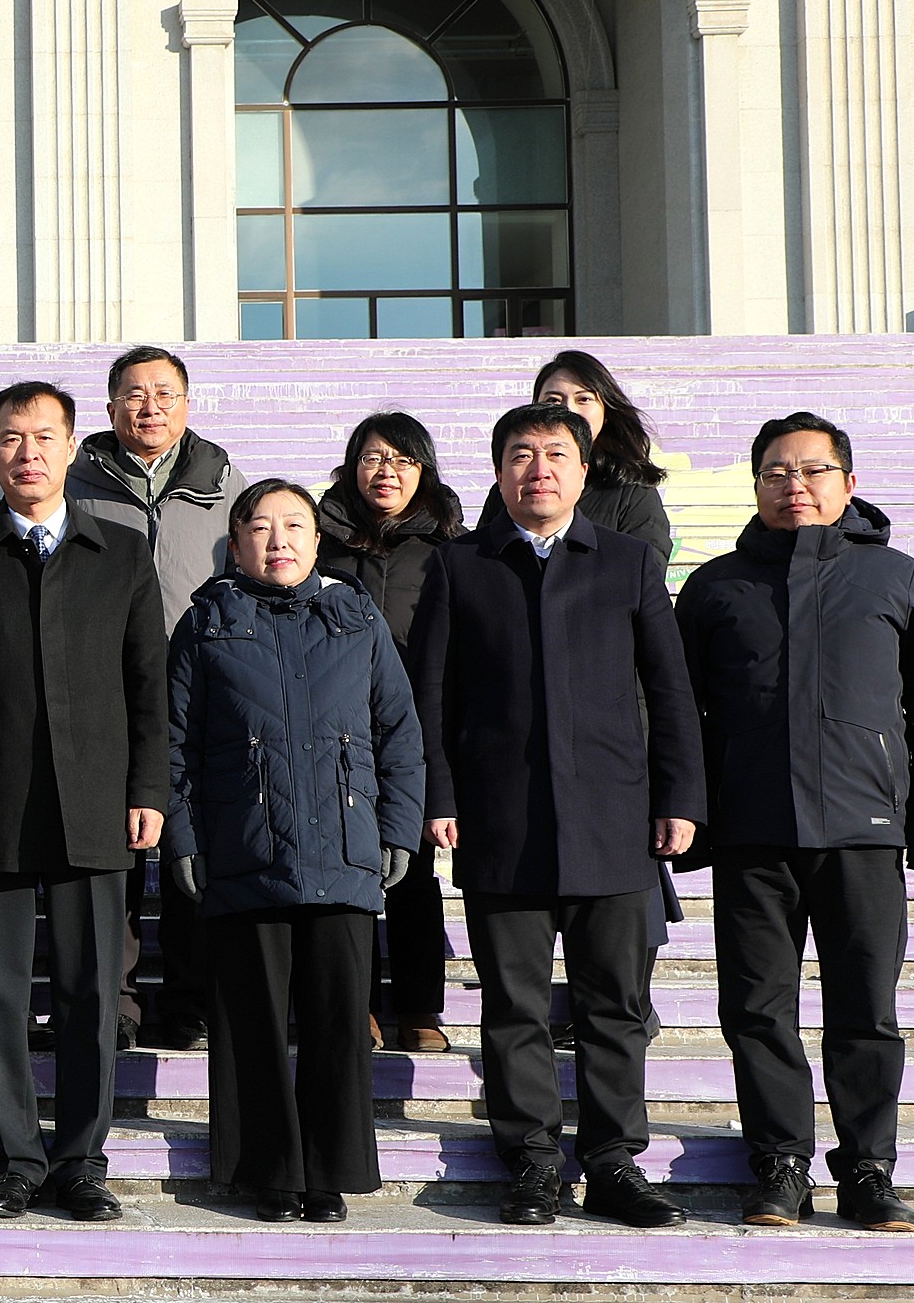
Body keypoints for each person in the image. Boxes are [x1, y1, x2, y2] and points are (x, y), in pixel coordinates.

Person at [410, 403, 705, 1230]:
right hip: (500, 822)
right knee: (514, 1004)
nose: (537, 468)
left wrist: (680, 798)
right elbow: (429, 695)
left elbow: (671, 690)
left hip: (614, 818)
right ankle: (535, 1159)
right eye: (519, 455)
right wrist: (439, 796)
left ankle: (612, 1160)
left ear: (582, 470)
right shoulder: (460, 565)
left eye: (553, 454)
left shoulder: (628, 563)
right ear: (499, 470)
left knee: (614, 1003)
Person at [676, 412, 914, 1234]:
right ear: (757, 484)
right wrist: (691, 819)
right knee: (757, 1008)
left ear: (848, 480)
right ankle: (779, 1164)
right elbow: (675, 714)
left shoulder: (895, 576)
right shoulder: (715, 584)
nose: (793, 485)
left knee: (864, 1008)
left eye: (811, 470)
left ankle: (869, 1171)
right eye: (775, 471)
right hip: (752, 832)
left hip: (863, 830)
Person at [0, 381, 167, 1223]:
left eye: (44, 437)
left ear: (70, 448)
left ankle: (81, 1159)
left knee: (94, 991)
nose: (28, 453)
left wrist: (147, 789)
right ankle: (16, 1156)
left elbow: (147, 686)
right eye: (12, 438)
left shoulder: (122, 552)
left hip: (96, 803)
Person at [168, 479, 426, 1224]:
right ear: (236, 542)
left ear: (318, 540)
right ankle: (268, 1170)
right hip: (245, 849)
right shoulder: (207, 622)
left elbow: (397, 734)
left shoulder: (356, 616)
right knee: (250, 1019)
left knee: (339, 1022)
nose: (277, 540)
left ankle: (330, 1170)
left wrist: (397, 829)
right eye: (259, 526)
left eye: (293, 525)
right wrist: (184, 838)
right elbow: (176, 745)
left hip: (343, 849)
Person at [62, 345, 245, 1051]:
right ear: (109, 408)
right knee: (110, 859)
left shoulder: (224, 484)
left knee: (189, 857)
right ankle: (117, 1003)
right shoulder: (76, 483)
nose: (150, 407)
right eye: (134, 394)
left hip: (197, 692)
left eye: (165, 393)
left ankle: (191, 1002)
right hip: (102, 694)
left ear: (188, 404)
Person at [315, 412, 466, 1055]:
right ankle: (354, 1007)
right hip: (334, 731)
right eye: (374, 458)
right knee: (343, 872)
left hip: (415, 733)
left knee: (413, 873)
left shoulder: (449, 551)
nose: (388, 472)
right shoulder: (319, 544)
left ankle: (418, 1009)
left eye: (403, 460)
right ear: (352, 466)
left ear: (424, 471)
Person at [477, 350, 673, 562]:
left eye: (584, 399)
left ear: (606, 411)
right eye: (553, 400)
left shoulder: (632, 492)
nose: (568, 410)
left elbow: (645, 574)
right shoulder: (512, 490)